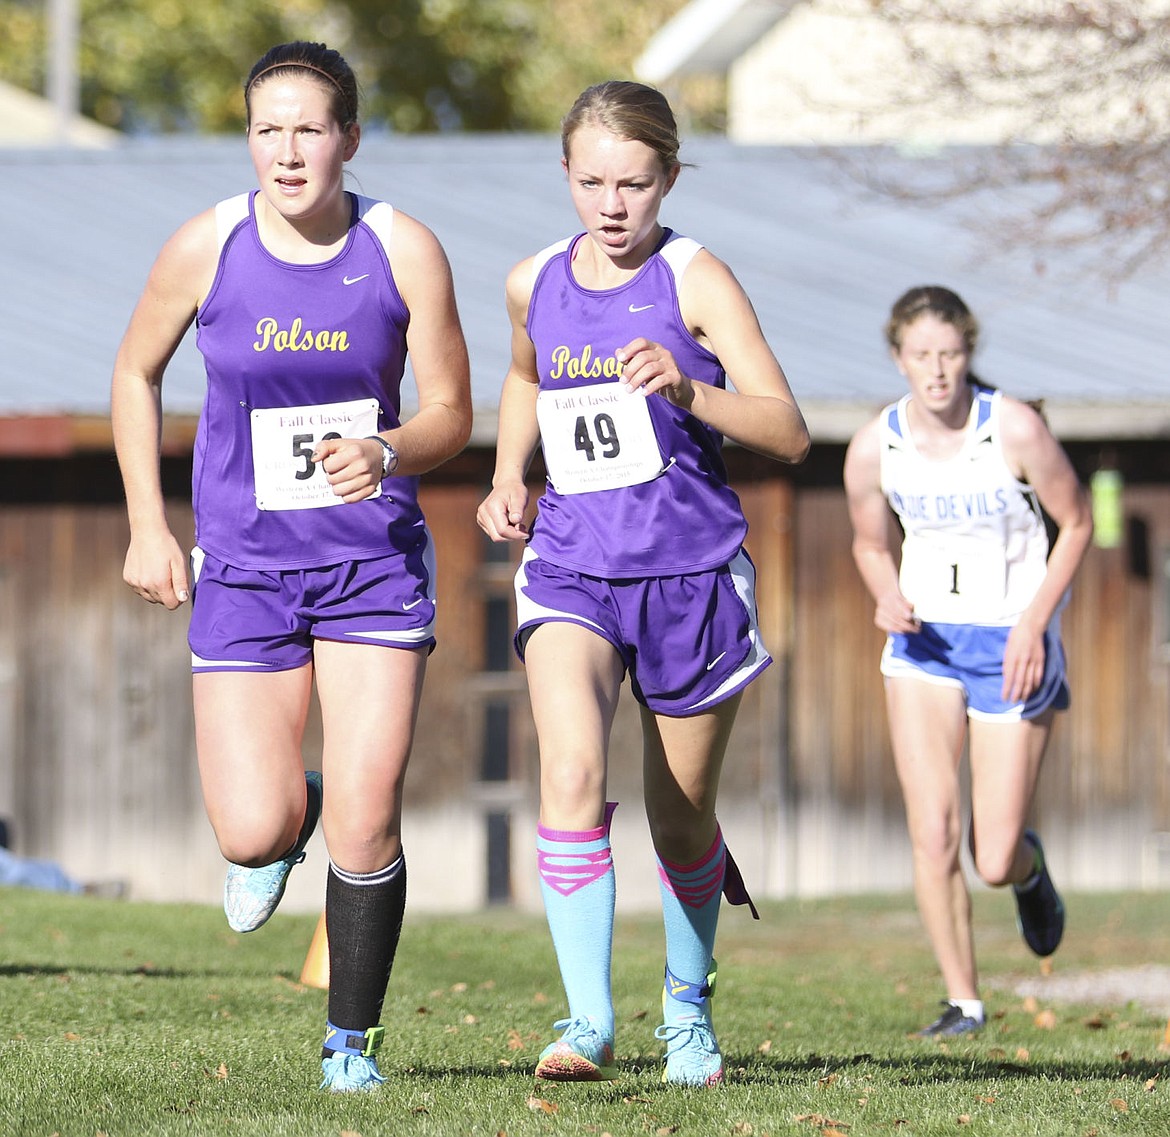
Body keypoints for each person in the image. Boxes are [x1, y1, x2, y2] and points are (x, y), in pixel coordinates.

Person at [111, 42, 472, 1091]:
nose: (287, 149)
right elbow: (135, 373)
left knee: (372, 809)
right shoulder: (206, 246)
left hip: (371, 567)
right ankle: (289, 815)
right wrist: (147, 525)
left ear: (349, 139)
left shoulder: (403, 248)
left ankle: (348, 1047)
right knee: (253, 824)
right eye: (267, 128)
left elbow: (452, 410)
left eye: (309, 127)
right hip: (246, 572)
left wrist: (391, 448)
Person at [476, 81, 809, 1086]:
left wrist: (690, 387)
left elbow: (788, 431)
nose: (612, 204)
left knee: (681, 819)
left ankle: (687, 1009)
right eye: (591, 182)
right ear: (567, 177)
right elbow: (528, 376)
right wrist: (507, 474)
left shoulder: (697, 279)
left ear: (668, 177)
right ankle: (586, 1023)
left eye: (634, 182)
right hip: (573, 566)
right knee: (572, 774)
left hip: (691, 576)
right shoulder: (532, 279)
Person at [843, 285, 1092, 1038]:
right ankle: (965, 1002)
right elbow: (868, 541)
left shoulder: (1012, 427)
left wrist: (1034, 624)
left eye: (950, 353)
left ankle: (1028, 869)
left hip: (1008, 641)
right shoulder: (873, 444)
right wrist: (885, 594)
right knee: (932, 830)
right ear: (899, 357)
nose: (938, 370)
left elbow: (1076, 523)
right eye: (922, 355)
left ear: (968, 352)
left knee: (991, 852)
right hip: (923, 645)